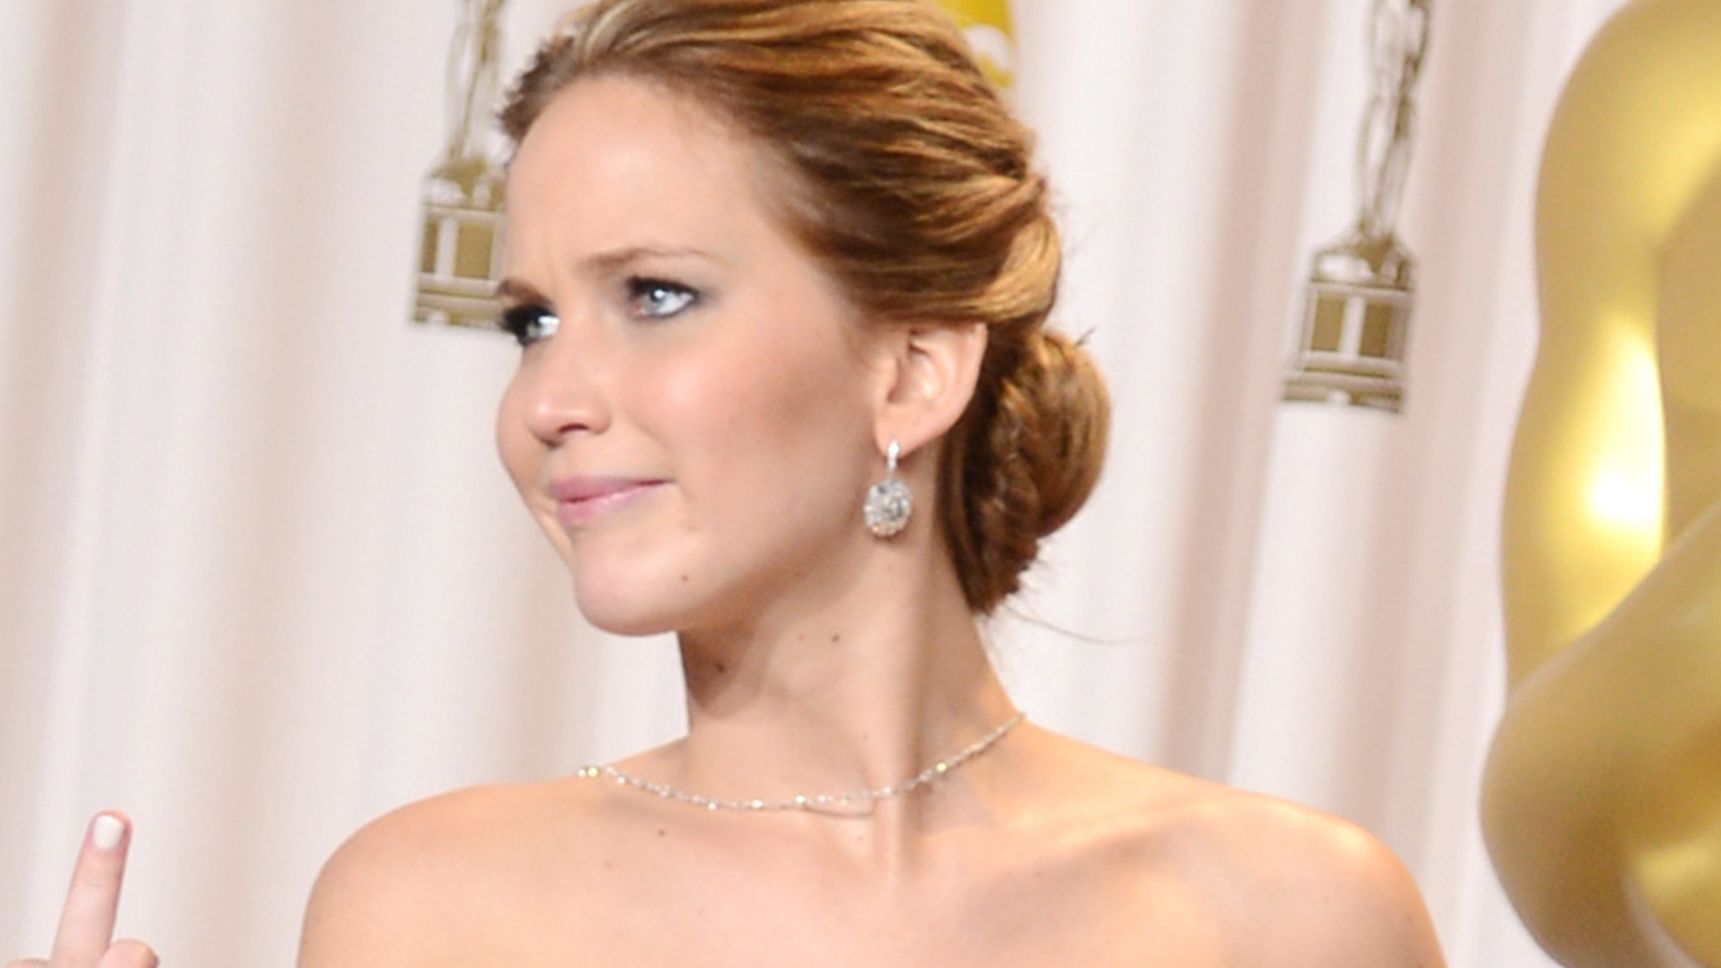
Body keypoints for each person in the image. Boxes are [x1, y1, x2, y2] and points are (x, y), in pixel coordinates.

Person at [15, 1, 1447, 964]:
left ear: (911, 373)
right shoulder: (435, 911)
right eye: (531, 322)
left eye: (654, 294)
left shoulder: (1289, 919)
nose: (549, 403)